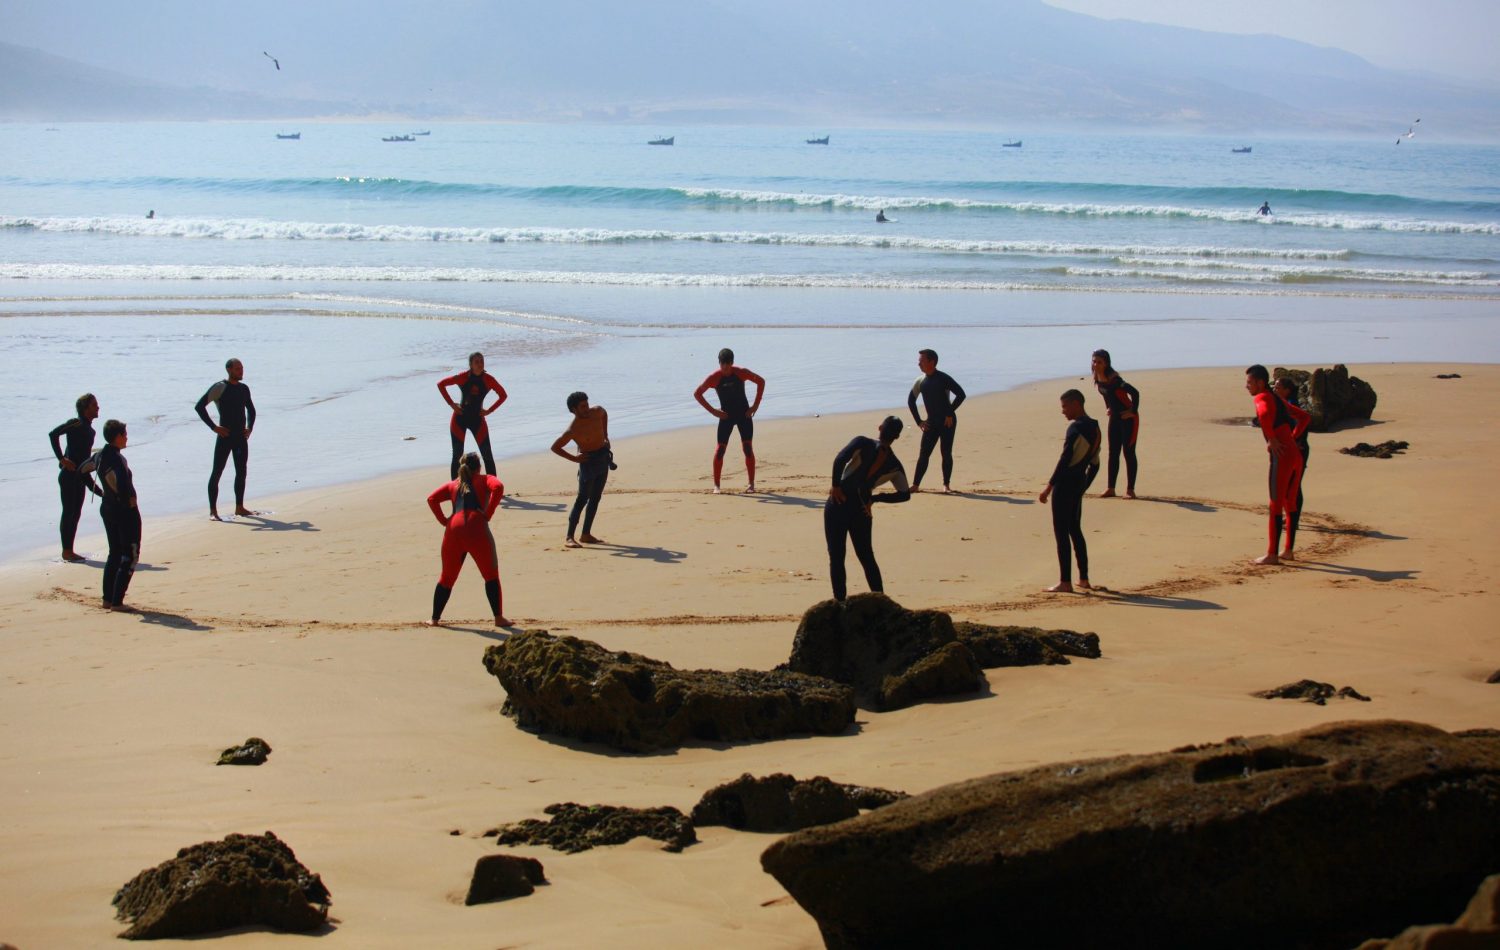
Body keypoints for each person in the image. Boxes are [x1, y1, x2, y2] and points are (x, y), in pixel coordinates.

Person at [824, 416, 910, 601]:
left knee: (837, 557)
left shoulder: (862, 442)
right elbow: (904, 494)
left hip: (838, 503)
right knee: (866, 557)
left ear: (879, 427)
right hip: (862, 509)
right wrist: (875, 499)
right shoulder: (894, 464)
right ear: (897, 437)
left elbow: (840, 459)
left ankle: (840, 603)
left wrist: (836, 486)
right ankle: (881, 602)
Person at [425, 452, 507, 627]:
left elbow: (431, 499)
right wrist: (489, 513)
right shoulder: (485, 479)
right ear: (479, 467)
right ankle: (499, 619)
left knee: (446, 578)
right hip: (477, 526)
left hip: (453, 529)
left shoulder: (452, 484)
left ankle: (434, 619)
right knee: (490, 575)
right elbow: (498, 487)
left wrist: (444, 521)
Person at [1246, 364, 1310, 565]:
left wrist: (1272, 439)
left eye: (1249, 382)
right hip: (1295, 456)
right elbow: (1305, 417)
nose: (1246, 386)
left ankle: (1272, 555)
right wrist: (1292, 437)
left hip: (1281, 456)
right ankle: (1288, 550)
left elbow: (1263, 414)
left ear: (1259, 382)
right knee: (1289, 502)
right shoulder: (1278, 399)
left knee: (1275, 504)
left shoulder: (1262, 397)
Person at [1039, 389, 1101, 593]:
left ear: (1076, 404)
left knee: (1061, 532)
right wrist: (1084, 486)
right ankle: (1083, 579)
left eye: (1065, 406)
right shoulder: (1095, 427)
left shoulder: (1075, 429)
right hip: (1078, 483)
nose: (1063, 411)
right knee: (1075, 529)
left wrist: (1049, 487)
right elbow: (1095, 463)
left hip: (1065, 485)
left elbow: (1065, 459)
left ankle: (1065, 581)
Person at [83, 419, 140, 610]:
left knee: (114, 553)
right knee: (130, 555)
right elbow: (123, 484)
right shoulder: (118, 459)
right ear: (117, 437)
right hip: (124, 511)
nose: (126, 438)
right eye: (124, 434)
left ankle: (107, 599)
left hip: (107, 508)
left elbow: (82, 470)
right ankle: (117, 601)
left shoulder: (99, 455)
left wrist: (99, 491)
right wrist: (128, 501)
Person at [693, 348, 765, 493]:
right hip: (726, 416)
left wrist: (755, 406)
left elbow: (761, 382)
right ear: (719, 363)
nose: (725, 369)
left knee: (747, 448)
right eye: (722, 365)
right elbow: (697, 394)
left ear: (732, 363)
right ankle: (716, 486)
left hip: (743, 415)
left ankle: (751, 484)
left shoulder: (740, 372)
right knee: (720, 450)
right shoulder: (714, 377)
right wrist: (714, 411)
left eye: (727, 365)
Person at [195, 357, 257, 520]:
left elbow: (251, 410)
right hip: (225, 437)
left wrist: (249, 428)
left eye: (242, 368)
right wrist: (214, 427)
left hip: (240, 438)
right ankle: (213, 512)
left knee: (241, 471)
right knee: (217, 472)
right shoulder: (220, 387)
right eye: (237, 369)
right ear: (229, 370)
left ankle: (239, 507)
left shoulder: (244, 389)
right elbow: (199, 407)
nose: (241, 371)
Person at [551, 391, 612, 548]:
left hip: (603, 458)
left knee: (596, 497)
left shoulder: (597, 411)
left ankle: (586, 534)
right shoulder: (573, 429)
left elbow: (605, 414)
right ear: (574, 410)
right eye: (583, 407)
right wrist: (575, 459)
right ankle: (569, 537)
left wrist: (605, 435)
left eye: (587, 404)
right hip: (588, 462)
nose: (587, 408)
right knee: (582, 498)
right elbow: (555, 447)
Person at [437, 352, 508, 480]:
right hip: (460, 419)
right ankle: (455, 488)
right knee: (457, 455)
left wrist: (489, 411)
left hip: (478, 420)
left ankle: (493, 487)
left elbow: (503, 395)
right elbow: (441, 384)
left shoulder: (489, 379)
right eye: (477, 362)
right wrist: (452, 405)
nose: (480, 364)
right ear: (470, 365)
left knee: (487, 455)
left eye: (482, 361)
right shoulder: (463, 377)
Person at [49, 393, 102, 561]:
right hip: (68, 476)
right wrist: (62, 459)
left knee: (76, 513)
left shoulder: (90, 429)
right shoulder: (76, 423)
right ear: (86, 409)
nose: (98, 407)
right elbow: (53, 434)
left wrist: (97, 488)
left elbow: (83, 459)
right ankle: (66, 551)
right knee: (69, 512)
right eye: (94, 405)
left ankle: (69, 550)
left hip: (80, 475)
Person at [907, 349, 966, 493]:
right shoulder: (920, 380)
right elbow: (911, 401)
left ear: (931, 362)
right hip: (931, 423)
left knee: (946, 453)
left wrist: (949, 413)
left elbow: (961, 394)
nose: (918, 363)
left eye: (921, 360)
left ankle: (946, 485)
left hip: (947, 422)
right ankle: (915, 485)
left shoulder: (943, 378)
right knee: (924, 453)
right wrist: (919, 421)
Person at [1091, 349, 1140, 498]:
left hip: (1128, 420)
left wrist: (1132, 411)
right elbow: (1106, 394)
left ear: (1106, 363)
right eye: (1094, 361)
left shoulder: (1115, 380)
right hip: (1115, 419)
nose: (1096, 364)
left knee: (1128, 453)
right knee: (1113, 453)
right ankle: (1110, 488)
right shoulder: (1098, 378)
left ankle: (1130, 490)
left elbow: (1135, 393)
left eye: (1099, 362)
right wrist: (1108, 408)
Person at [1274, 376, 1312, 557]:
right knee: (1293, 487)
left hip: (1298, 449)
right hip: (1293, 448)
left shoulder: (1291, 404)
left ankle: (1293, 521)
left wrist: (1295, 441)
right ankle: (1292, 520)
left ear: (1288, 390)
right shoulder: (1283, 404)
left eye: (1278, 386)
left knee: (1293, 488)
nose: (1275, 388)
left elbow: (1303, 422)